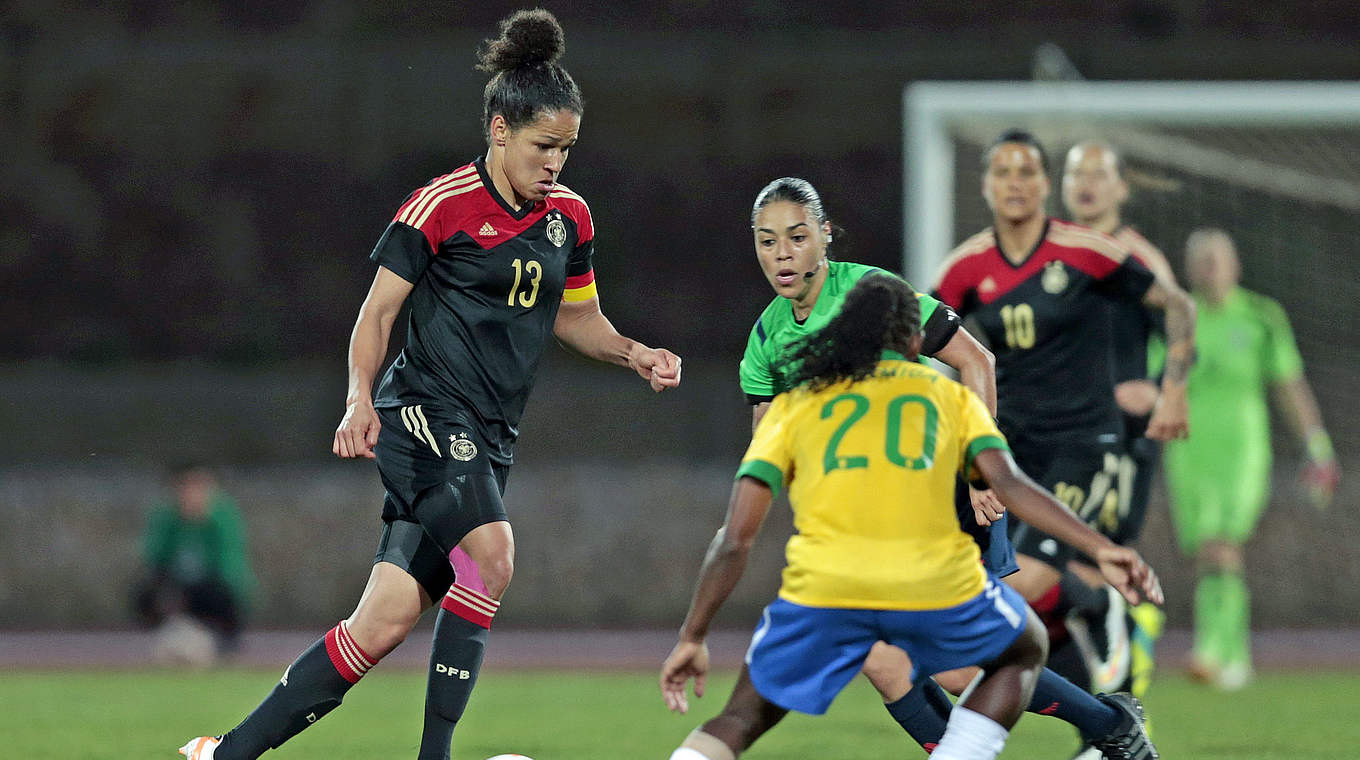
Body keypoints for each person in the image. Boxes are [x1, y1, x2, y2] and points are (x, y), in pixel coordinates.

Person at [179, 10, 681, 760]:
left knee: (377, 627)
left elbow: (578, 318)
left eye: (567, 150)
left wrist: (633, 352)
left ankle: (222, 755)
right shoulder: (441, 206)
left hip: (489, 437)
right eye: (545, 146)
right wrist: (357, 396)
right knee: (493, 555)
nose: (557, 165)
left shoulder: (569, 218)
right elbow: (375, 314)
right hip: (422, 413)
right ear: (500, 129)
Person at [739, 176, 1160, 758]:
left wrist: (977, 467)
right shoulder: (766, 338)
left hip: (940, 496)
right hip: (870, 527)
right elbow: (770, 448)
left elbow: (975, 359)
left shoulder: (873, 294)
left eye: (796, 236)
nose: (782, 253)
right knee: (884, 663)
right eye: (766, 241)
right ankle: (1108, 723)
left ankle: (1109, 724)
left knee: (962, 669)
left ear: (825, 236)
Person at [931, 129, 1196, 729]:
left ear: (1046, 185)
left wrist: (1172, 386)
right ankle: (1107, 719)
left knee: (1016, 591)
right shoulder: (966, 266)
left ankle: (1096, 602)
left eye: (1027, 172)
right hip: (1003, 454)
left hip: (1083, 447)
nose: (1015, 183)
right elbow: (915, 339)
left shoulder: (1086, 250)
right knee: (989, 597)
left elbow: (1179, 304)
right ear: (986, 186)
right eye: (1003, 173)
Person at [1164, 228, 1338, 690]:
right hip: (1189, 448)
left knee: (1223, 543)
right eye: (1201, 260)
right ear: (1189, 269)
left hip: (1242, 448)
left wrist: (1316, 446)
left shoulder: (1262, 317)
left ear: (1235, 265)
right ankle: (1234, 655)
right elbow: (1157, 382)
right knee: (1208, 552)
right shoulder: (1179, 319)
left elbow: (1289, 384)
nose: (1211, 268)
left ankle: (1212, 648)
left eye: (1218, 259)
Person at [1060, 140, 1180, 699]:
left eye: (1098, 174)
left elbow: (1183, 331)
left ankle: (1121, 705)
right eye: (1075, 173)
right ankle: (1119, 699)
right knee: (1064, 564)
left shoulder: (1138, 256)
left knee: (1095, 559)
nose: (1085, 183)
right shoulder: (1055, 254)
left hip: (1123, 436)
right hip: (1062, 429)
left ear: (1121, 188)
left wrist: (1160, 390)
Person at [132, 462, 254, 658]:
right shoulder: (167, 518)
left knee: (224, 596)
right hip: (178, 586)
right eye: (186, 488)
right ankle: (161, 637)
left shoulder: (222, 518)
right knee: (146, 593)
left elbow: (229, 566)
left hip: (210, 587)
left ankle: (226, 645)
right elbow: (155, 558)